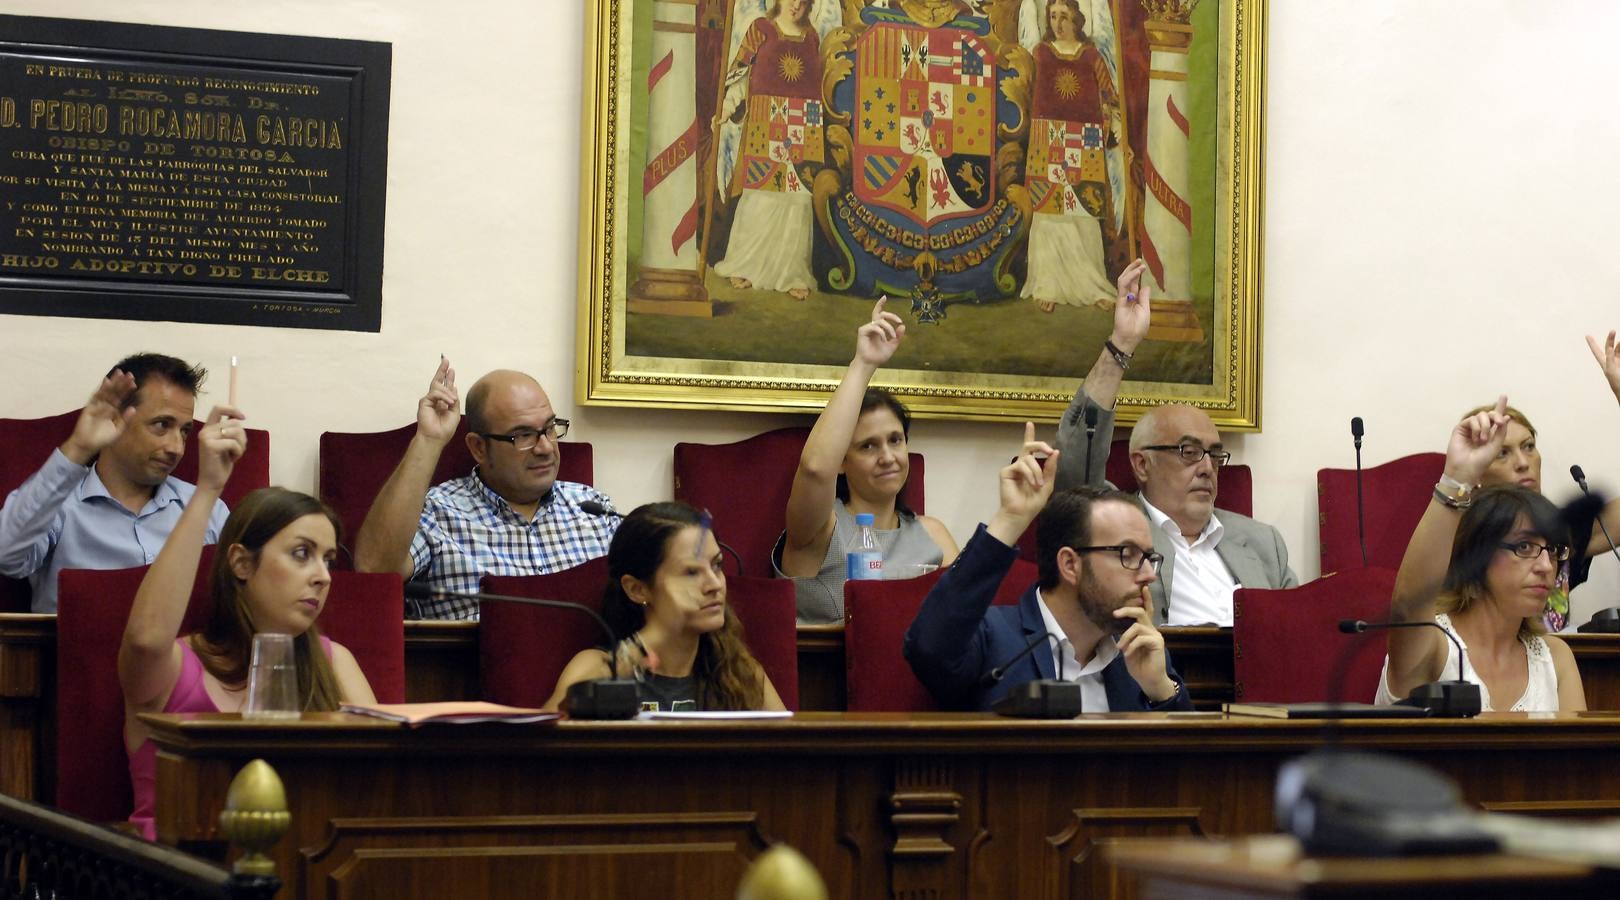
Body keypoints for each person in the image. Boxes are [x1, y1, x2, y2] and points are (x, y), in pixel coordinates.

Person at [119, 406, 376, 839]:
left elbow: (381, 773)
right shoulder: (176, 667)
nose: (323, 576)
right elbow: (145, 638)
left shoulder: (334, 661)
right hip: (182, 871)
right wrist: (208, 490)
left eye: (328, 559)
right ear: (240, 562)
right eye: (301, 553)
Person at [1053, 268, 1296, 625]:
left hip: (1256, 676)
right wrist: (1121, 345)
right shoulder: (1114, 527)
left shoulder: (1262, 542)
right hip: (1162, 672)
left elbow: (1301, 629)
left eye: (1214, 454)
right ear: (1142, 465)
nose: (1207, 467)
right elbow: (1075, 466)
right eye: (1188, 451)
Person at [904, 423, 1192, 712]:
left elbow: (1190, 756)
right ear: (1070, 564)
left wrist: (1161, 689)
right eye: (1127, 554)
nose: (1149, 575)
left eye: (1149, 557)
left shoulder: (1140, 651)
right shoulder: (994, 639)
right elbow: (928, 647)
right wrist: (1010, 519)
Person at [353, 359, 618, 619]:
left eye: (549, 428)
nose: (546, 448)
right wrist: (428, 440)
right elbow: (374, 572)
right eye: (523, 436)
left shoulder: (594, 510)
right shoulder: (438, 513)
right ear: (479, 448)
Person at [1376, 397, 1586, 712]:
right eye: (1524, 547)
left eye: (1553, 551)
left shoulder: (1556, 658)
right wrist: (1456, 478)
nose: (1546, 566)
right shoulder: (1434, 646)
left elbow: (1580, 761)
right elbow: (1408, 605)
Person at [775, 297, 959, 623]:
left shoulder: (934, 535)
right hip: (826, 673)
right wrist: (863, 364)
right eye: (868, 447)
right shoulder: (819, 529)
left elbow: (965, 619)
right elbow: (816, 468)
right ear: (842, 461)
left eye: (895, 440)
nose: (887, 457)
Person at [0, 354, 229, 613]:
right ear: (115, 419)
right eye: (162, 425)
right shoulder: (61, 504)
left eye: (184, 431)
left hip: (181, 652)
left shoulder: (206, 508)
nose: (176, 448)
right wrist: (78, 447)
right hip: (73, 651)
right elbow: (6, 555)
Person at [1448, 331, 1620, 631]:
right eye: (1502, 453)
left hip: (1560, 669)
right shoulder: (1454, 539)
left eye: (1528, 446)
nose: (1523, 462)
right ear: (1476, 473)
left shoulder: (1560, 532)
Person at [546, 502, 785, 712]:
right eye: (691, 572)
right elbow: (542, 751)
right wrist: (652, 639)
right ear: (637, 589)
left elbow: (791, 754)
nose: (715, 584)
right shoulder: (597, 668)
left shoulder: (740, 672)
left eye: (717, 565)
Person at [1021, 0, 1130, 312]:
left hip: (1084, 140)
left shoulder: (1091, 54)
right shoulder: (1040, 53)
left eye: (1064, 17)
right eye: (1053, 16)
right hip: (1047, 137)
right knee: (1049, 212)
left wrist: (1116, 123)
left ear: (1077, 19)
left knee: (1082, 212)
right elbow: (1026, 90)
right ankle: (1047, 285)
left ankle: (1091, 283)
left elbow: (1109, 95)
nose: (1058, 23)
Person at [712, 0, 823, 301]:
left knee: (797, 202)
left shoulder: (812, 37)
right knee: (760, 197)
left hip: (802, 128)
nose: (796, 5)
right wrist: (726, 107)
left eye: (803, 0)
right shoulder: (760, 30)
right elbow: (739, 78)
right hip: (766, 124)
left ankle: (793, 273)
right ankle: (744, 265)